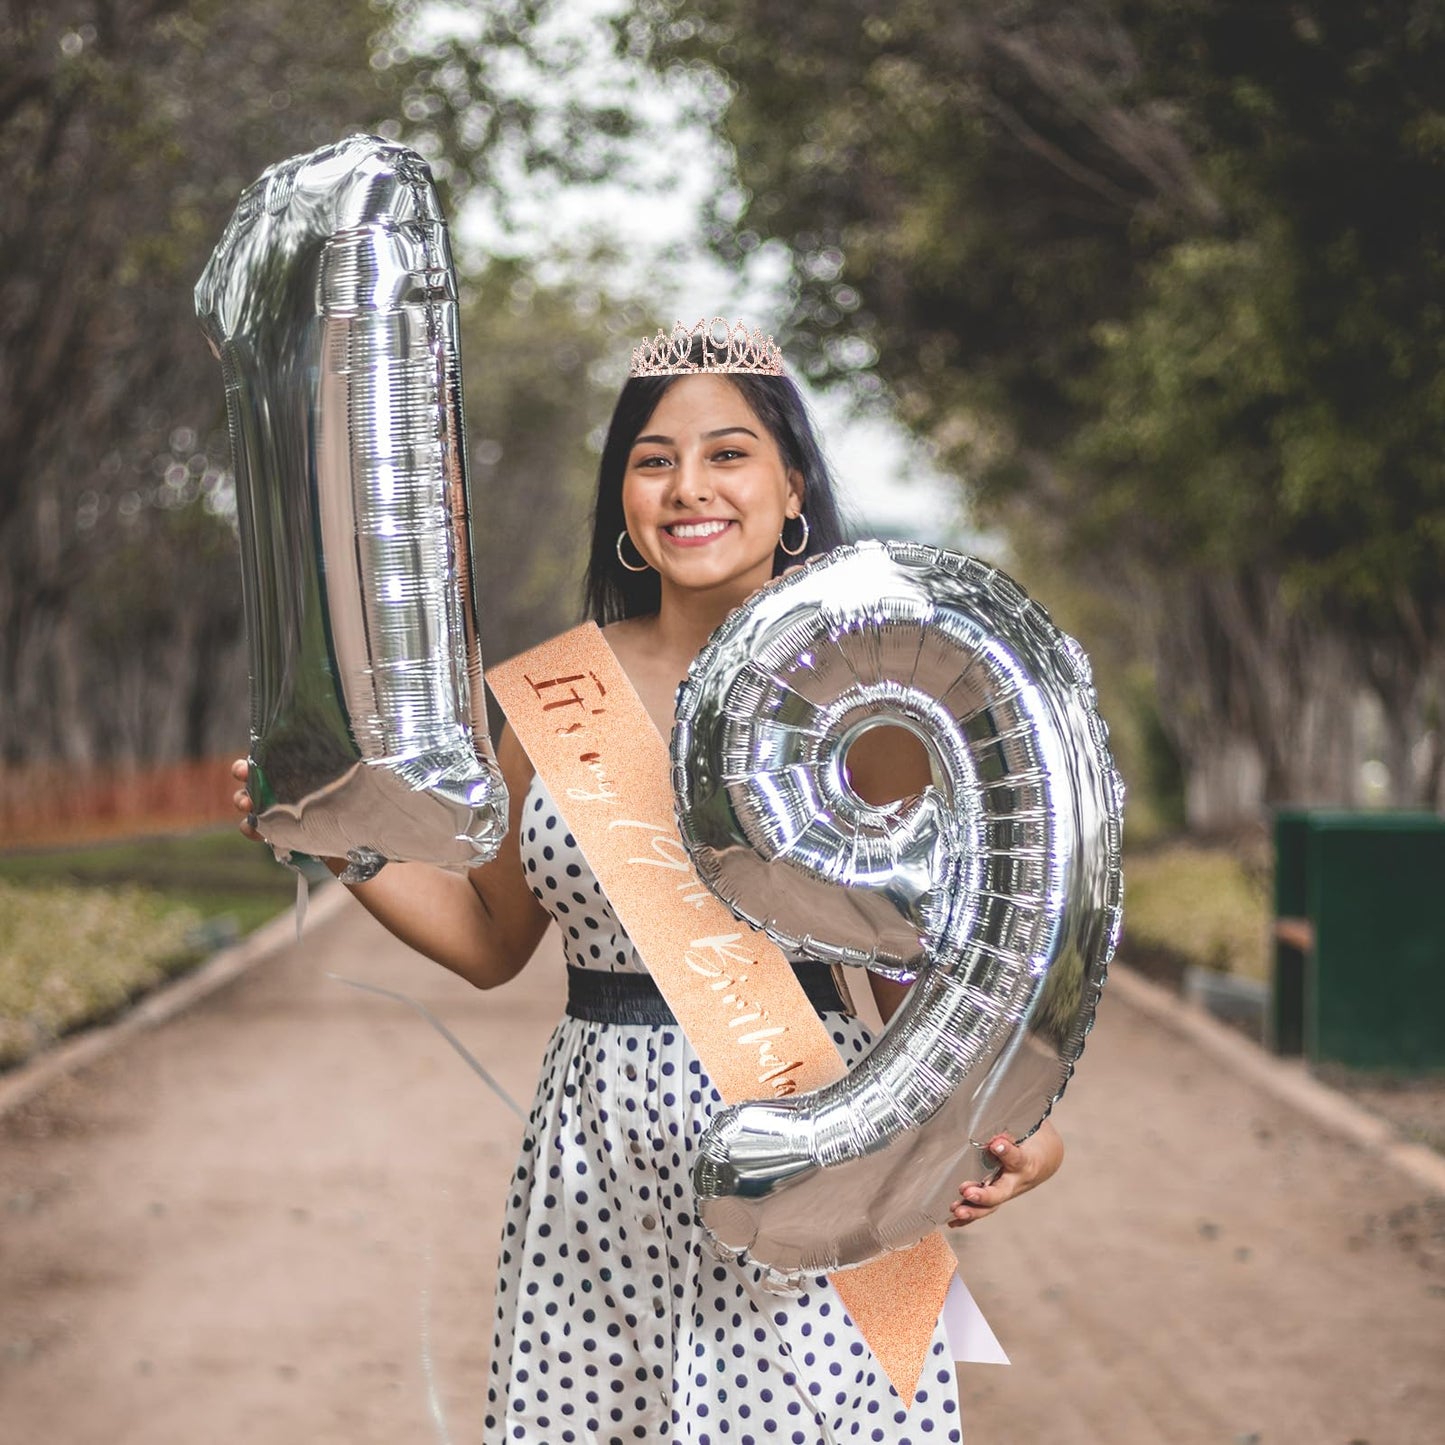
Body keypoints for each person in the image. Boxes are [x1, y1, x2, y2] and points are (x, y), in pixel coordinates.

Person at [231, 320, 1064, 1444]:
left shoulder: (868, 698)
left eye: (727, 454)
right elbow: (489, 938)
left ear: (791, 485)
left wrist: (1013, 1126)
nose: (688, 488)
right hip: (594, 1168)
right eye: (653, 459)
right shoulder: (551, 692)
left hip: (806, 1153)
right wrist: (334, 833)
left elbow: (924, 974)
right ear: (622, 496)